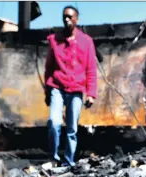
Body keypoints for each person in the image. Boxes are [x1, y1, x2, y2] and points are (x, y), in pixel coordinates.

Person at [44, 5, 97, 167]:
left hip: (76, 89)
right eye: (64, 17)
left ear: (77, 19)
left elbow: (91, 69)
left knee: (72, 128)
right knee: (54, 122)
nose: (67, 20)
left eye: (70, 17)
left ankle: (68, 162)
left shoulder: (86, 42)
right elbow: (49, 67)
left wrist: (91, 94)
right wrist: (47, 91)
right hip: (57, 87)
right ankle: (54, 158)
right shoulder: (54, 40)